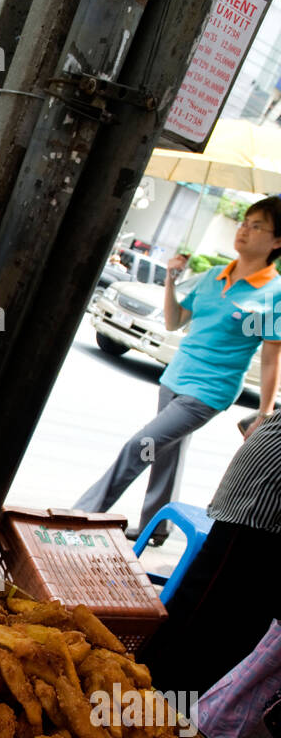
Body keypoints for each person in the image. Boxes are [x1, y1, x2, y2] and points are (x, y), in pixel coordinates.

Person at [75, 199, 281, 543]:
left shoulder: (272, 293)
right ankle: (157, 528)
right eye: (244, 222)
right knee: (163, 453)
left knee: (140, 446)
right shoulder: (215, 276)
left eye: (257, 225)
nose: (244, 229)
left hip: (210, 391)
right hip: (174, 377)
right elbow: (174, 321)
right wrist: (171, 278)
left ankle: (82, 514)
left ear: (277, 242)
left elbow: (272, 358)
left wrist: (264, 412)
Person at [141, 407, 281, 696]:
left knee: (239, 635)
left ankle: (166, 719)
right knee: (203, 626)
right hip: (262, 505)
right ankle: (137, 708)